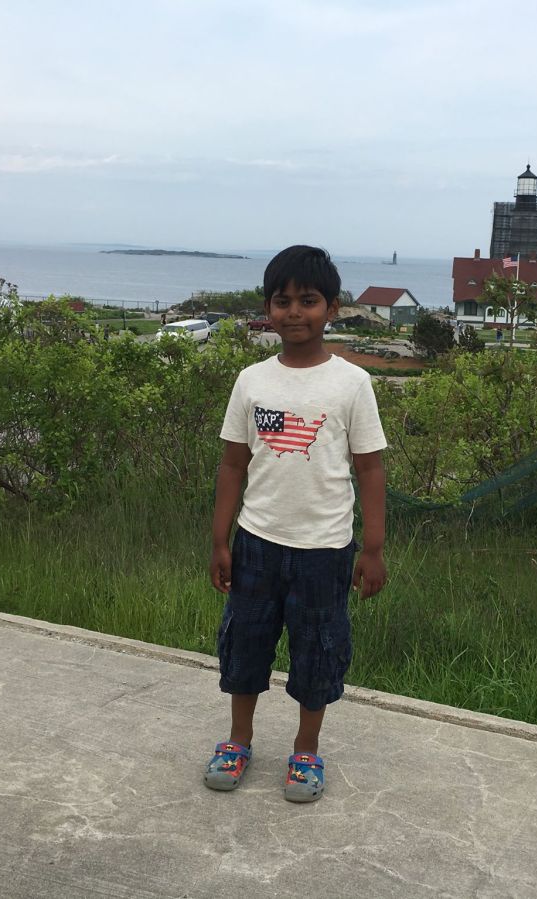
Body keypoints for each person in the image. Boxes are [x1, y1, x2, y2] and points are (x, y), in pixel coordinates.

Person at [206, 245, 388, 803]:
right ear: (267, 308)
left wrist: (373, 547)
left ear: (331, 307)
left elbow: (370, 468)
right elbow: (233, 464)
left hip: (325, 549)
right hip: (256, 542)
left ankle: (306, 750)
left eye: (308, 301)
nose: (294, 312)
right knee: (245, 645)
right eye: (282, 301)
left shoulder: (352, 383)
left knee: (317, 651)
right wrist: (220, 540)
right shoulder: (251, 381)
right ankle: (238, 740)